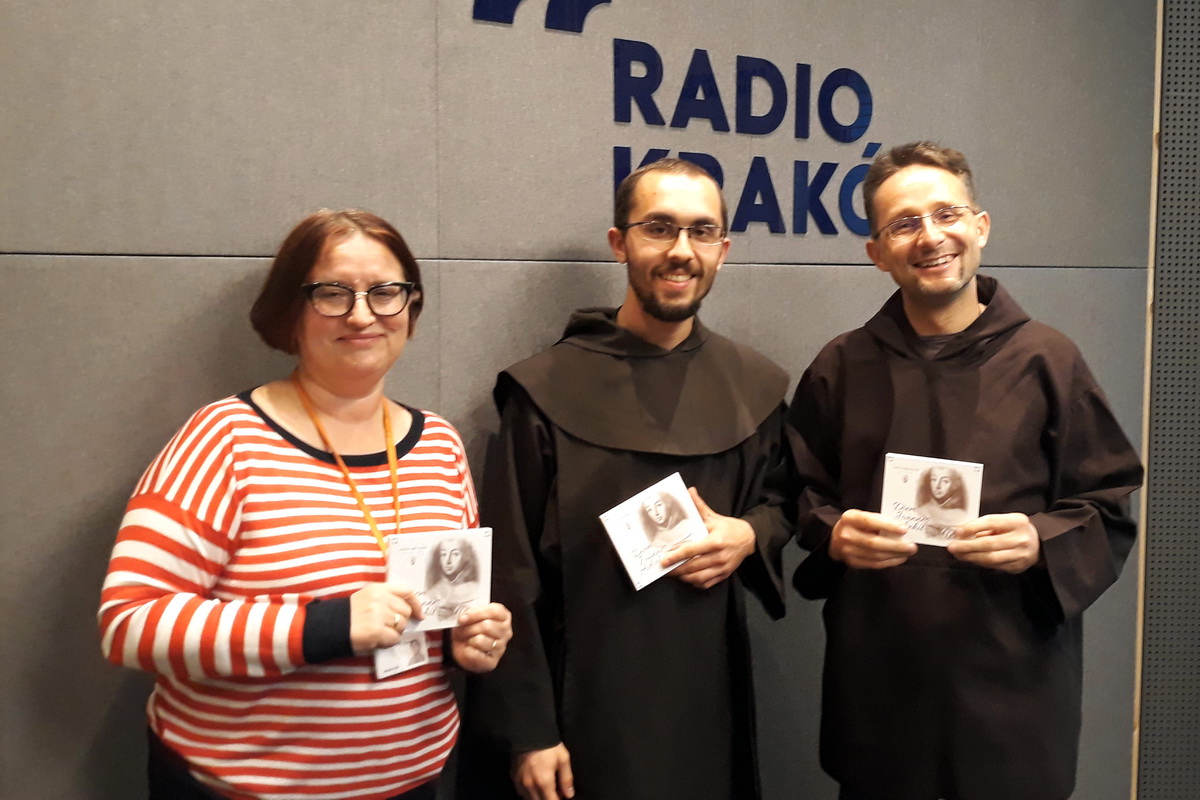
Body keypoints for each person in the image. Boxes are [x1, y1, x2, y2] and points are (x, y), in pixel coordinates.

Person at [98, 209, 513, 800]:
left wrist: (464, 640)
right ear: (292, 311)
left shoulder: (439, 446)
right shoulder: (226, 438)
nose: (363, 314)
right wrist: (325, 626)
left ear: (411, 309)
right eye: (333, 293)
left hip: (413, 783)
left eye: (385, 292)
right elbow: (129, 622)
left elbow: (438, 607)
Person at [788, 142, 1144, 800]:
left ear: (980, 226)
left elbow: (1108, 503)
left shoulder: (1050, 361)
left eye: (946, 213)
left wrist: (1040, 541)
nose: (930, 237)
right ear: (876, 251)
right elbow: (800, 491)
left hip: (1013, 693)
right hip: (881, 692)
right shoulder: (841, 366)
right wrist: (832, 532)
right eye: (903, 223)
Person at [461, 158, 793, 800]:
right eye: (659, 228)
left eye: (701, 231)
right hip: (582, 705)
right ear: (620, 243)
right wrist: (530, 730)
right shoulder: (544, 391)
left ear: (722, 251)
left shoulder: (753, 387)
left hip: (706, 694)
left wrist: (750, 534)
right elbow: (510, 572)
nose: (681, 251)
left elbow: (785, 503)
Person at [421, 537, 482, 621]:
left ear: (467, 556)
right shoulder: (433, 590)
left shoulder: (476, 589)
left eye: (455, 554)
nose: (448, 561)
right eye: (443, 554)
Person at [914, 465, 969, 539]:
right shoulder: (922, 509)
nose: (937, 486)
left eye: (945, 481)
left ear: (955, 485)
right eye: (934, 480)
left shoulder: (962, 514)